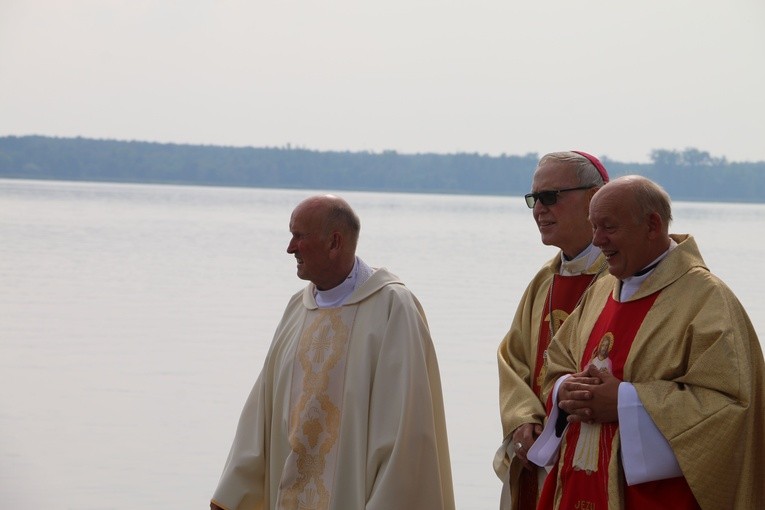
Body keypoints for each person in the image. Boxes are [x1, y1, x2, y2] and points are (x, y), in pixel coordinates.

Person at [528, 175, 765, 509]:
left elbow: (732, 405)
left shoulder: (707, 300)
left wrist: (625, 402)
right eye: (593, 227)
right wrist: (565, 389)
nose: (597, 241)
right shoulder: (599, 291)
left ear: (653, 224)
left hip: (656, 496)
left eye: (608, 227)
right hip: (578, 482)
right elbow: (557, 361)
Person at [210, 195, 455, 510]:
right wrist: (232, 494)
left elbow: (407, 433)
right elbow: (261, 415)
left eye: (300, 236)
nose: (290, 248)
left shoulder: (393, 309)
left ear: (334, 243)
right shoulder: (296, 310)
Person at [494, 151, 610, 509]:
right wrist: (521, 420)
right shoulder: (544, 281)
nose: (538, 210)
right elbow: (513, 359)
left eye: (550, 198)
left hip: (596, 450)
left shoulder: (625, 277)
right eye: (533, 199)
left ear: (594, 198)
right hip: (538, 455)